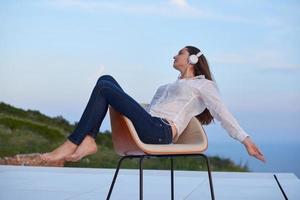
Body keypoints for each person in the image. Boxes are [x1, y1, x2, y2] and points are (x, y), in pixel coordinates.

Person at [41, 46, 265, 163]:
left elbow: (222, 113)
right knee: (105, 80)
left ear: (193, 59)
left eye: (180, 53)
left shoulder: (203, 85)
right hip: (148, 124)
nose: (174, 55)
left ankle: (73, 144)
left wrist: (246, 141)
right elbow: (148, 111)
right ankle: (88, 140)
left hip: (161, 131)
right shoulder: (168, 86)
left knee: (106, 88)